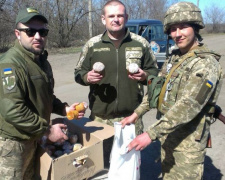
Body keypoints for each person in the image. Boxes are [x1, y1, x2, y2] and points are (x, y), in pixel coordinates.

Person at [122, 2, 223, 179]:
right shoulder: (175, 57)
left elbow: (189, 105)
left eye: (183, 27)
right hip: (168, 136)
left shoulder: (205, 64)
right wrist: (137, 114)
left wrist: (150, 134)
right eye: (173, 29)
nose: (177, 34)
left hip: (188, 144)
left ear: (195, 27)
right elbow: (158, 89)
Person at [0, 7, 85, 179]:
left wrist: (64, 109)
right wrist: (48, 131)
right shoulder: (10, 65)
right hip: (14, 146)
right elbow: (13, 110)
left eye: (42, 31)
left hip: (34, 138)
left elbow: (45, 96)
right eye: (30, 31)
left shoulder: (40, 60)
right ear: (18, 34)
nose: (38, 36)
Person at [75, 0, 158, 167]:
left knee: (128, 168)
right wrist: (87, 78)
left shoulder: (140, 43)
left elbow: (155, 73)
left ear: (126, 18)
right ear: (103, 19)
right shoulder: (93, 45)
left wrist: (144, 76)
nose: (116, 19)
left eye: (120, 15)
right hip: (100, 119)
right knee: (100, 167)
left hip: (131, 118)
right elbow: (78, 73)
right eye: (111, 16)